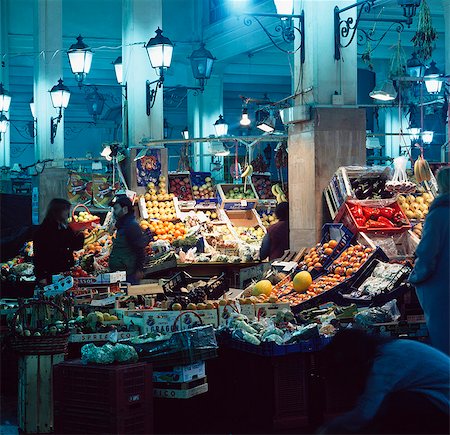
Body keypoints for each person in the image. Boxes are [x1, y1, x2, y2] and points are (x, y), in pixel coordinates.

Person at [319, 329, 450, 434]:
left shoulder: (384, 364)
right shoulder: (390, 350)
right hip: (439, 399)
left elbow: (365, 414)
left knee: (395, 406)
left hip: (444, 404)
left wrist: (328, 429)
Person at [409, 166, 450, 355]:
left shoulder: (439, 214)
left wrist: (415, 277)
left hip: (442, 289)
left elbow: (427, 253)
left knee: (444, 343)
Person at [33, 198, 84, 285]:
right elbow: (39, 254)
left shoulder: (66, 227)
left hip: (65, 272)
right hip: (51, 272)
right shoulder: (44, 230)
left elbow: (75, 246)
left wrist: (79, 233)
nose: (68, 214)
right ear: (57, 211)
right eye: (66, 210)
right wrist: (41, 276)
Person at [108, 195, 146, 284]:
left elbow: (139, 248)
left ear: (125, 209)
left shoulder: (131, 226)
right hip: (121, 273)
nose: (115, 212)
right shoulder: (124, 225)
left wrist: (139, 269)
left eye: (116, 209)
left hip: (129, 274)